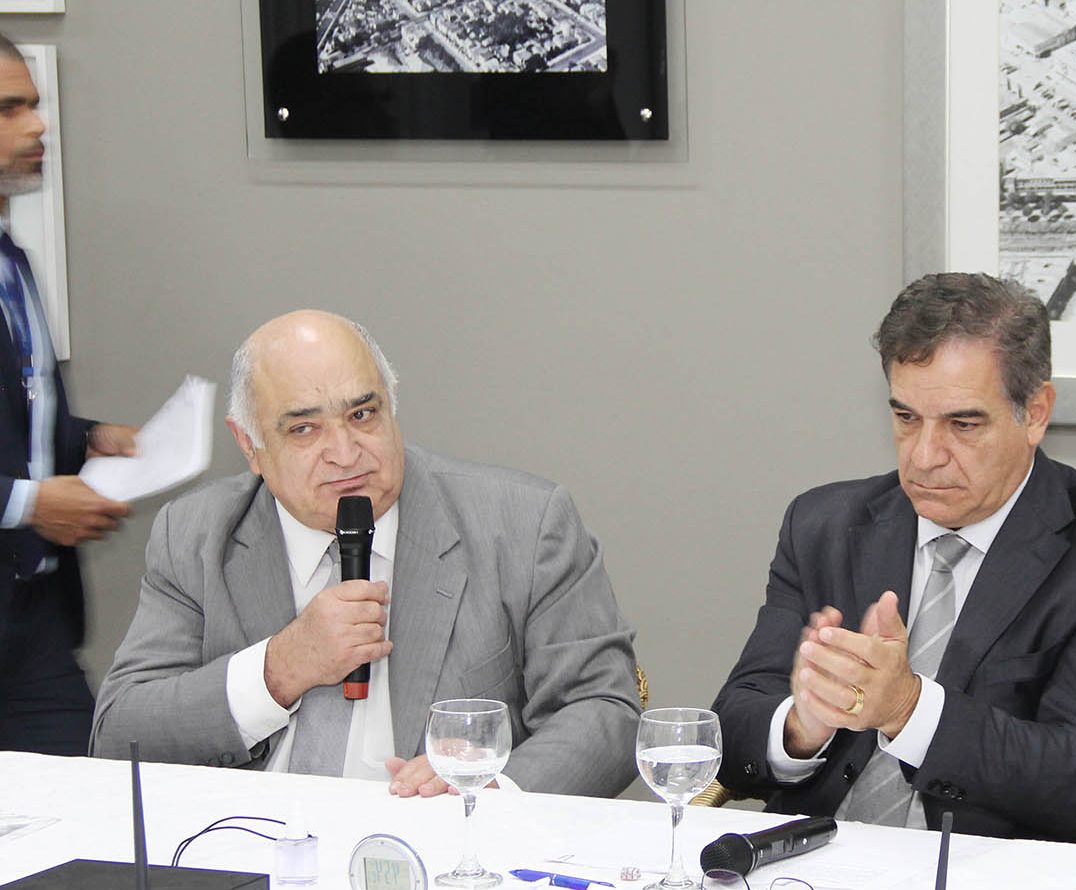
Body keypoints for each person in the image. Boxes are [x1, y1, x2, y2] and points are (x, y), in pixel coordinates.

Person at [711, 272, 1076, 842]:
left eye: (962, 424)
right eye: (906, 418)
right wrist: (801, 724)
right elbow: (730, 736)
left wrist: (907, 709)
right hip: (810, 864)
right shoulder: (824, 526)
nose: (924, 457)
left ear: (1035, 413)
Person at [91, 311, 639, 797]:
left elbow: (603, 709)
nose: (345, 453)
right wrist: (279, 669)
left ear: (391, 406)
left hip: (441, 847)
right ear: (249, 445)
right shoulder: (195, 534)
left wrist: (493, 788)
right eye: (304, 428)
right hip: (253, 843)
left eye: (362, 415)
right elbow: (119, 735)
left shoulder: (522, 524)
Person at [0, 32, 137, 756]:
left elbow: (13, 409)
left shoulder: (10, 258)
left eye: (34, 105)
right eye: (9, 109)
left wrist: (83, 438)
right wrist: (27, 504)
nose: (38, 126)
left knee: (83, 801)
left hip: (35, 618)